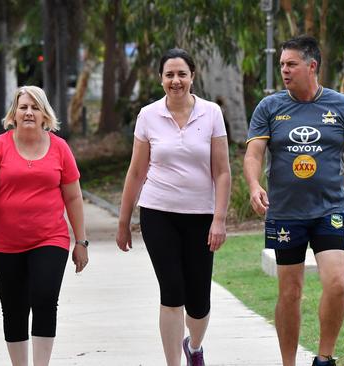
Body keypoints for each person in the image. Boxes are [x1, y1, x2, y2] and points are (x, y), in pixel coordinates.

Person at [243, 36, 344, 366]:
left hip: (328, 212)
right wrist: (253, 186)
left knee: (336, 284)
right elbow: (253, 154)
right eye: (281, 65)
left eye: (291, 64)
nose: (284, 71)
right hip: (286, 216)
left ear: (312, 66)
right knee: (289, 293)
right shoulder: (270, 107)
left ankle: (324, 358)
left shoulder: (342, 107)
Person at [116, 48, 231, 366]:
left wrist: (219, 219)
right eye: (170, 75)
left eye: (182, 74)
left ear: (193, 77)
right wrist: (124, 221)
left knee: (198, 300)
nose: (176, 80)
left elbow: (221, 171)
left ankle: (194, 346)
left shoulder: (211, 113)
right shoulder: (149, 115)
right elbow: (137, 172)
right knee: (172, 291)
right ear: (160, 79)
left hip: (201, 216)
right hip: (158, 213)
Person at [0, 85, 88, 366]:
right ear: (14, 112)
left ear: (44, 114)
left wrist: (81, 242)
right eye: (23, 107)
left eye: (35, 107)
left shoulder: (60, 148)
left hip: (50, 238)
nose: (28, 112)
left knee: (45, 297)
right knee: (14, 309)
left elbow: (73, 196)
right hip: (4, 242)